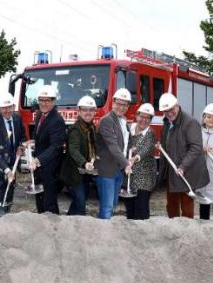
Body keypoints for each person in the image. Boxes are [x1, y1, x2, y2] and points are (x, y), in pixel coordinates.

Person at [158, 92, 209, 218]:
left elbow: (196, 147)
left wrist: (183, 166)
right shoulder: (167, 123)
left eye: (171, 109)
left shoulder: (190, 122)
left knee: (186, 204)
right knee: (172, 204)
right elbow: (168, 143)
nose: (169, 113)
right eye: (165, 111)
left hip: (187, 171)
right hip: (172, 169)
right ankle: (174, 228)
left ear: (177, 105)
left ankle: (188, 231)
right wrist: (160, 145)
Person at [0, 92, 26, 216]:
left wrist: (21, 146)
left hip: (12, 163)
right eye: (4, 108)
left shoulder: (18, 119)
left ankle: (6, 221)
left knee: (8, 196)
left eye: (9, 107)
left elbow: (22, 137)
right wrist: (7, 170)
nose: (7, 111)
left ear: (13, 107)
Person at [94, 88, 131, 219]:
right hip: (106, 170)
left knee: (113, 203)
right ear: (113, 102)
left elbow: (124, 142)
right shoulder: (106, 120)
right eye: (118, 103)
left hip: (117, 169)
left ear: (128, 106)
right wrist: (126, 163)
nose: (121, 107)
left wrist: (131, 151)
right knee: (107, 206)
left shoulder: (123, 120)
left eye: (124, 104)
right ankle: (103, 235)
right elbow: (112, 145)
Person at [29, 85, 66, 214]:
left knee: (49, 202)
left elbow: (55, 146)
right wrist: (32, 141)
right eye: (41, 100)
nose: (43, 103)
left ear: (53, 101)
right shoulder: (40, 114)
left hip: (50, 168)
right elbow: (39, 136)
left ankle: (53, 229)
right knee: (39, 199)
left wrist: (38, 160)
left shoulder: (57, 120)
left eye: (47, 100)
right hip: (39, 166)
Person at [60, 95, 97, 216]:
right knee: (81, 203)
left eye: (91, 110)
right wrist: (85, 163)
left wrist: (95, 157)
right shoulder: (75, 129)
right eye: (85, 110)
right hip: (73, 174)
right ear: (79, 111)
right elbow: (73, 150)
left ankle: (68, 222)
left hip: (84, 173)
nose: (88, 113)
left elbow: (93, 146)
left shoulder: (91, 127)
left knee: (78, 201)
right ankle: (80, 229)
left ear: (95, 112)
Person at [122, 103, 156, 220]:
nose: (144, 120)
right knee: (130, 209)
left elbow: (146, 149)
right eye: (142, 116)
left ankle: (144, 233)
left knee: (141, 208)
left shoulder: (150, 133)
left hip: (144, 177)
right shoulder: (128, 128)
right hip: (129, 175)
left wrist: (135, 158)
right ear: (137, 116)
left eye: (148, 118)